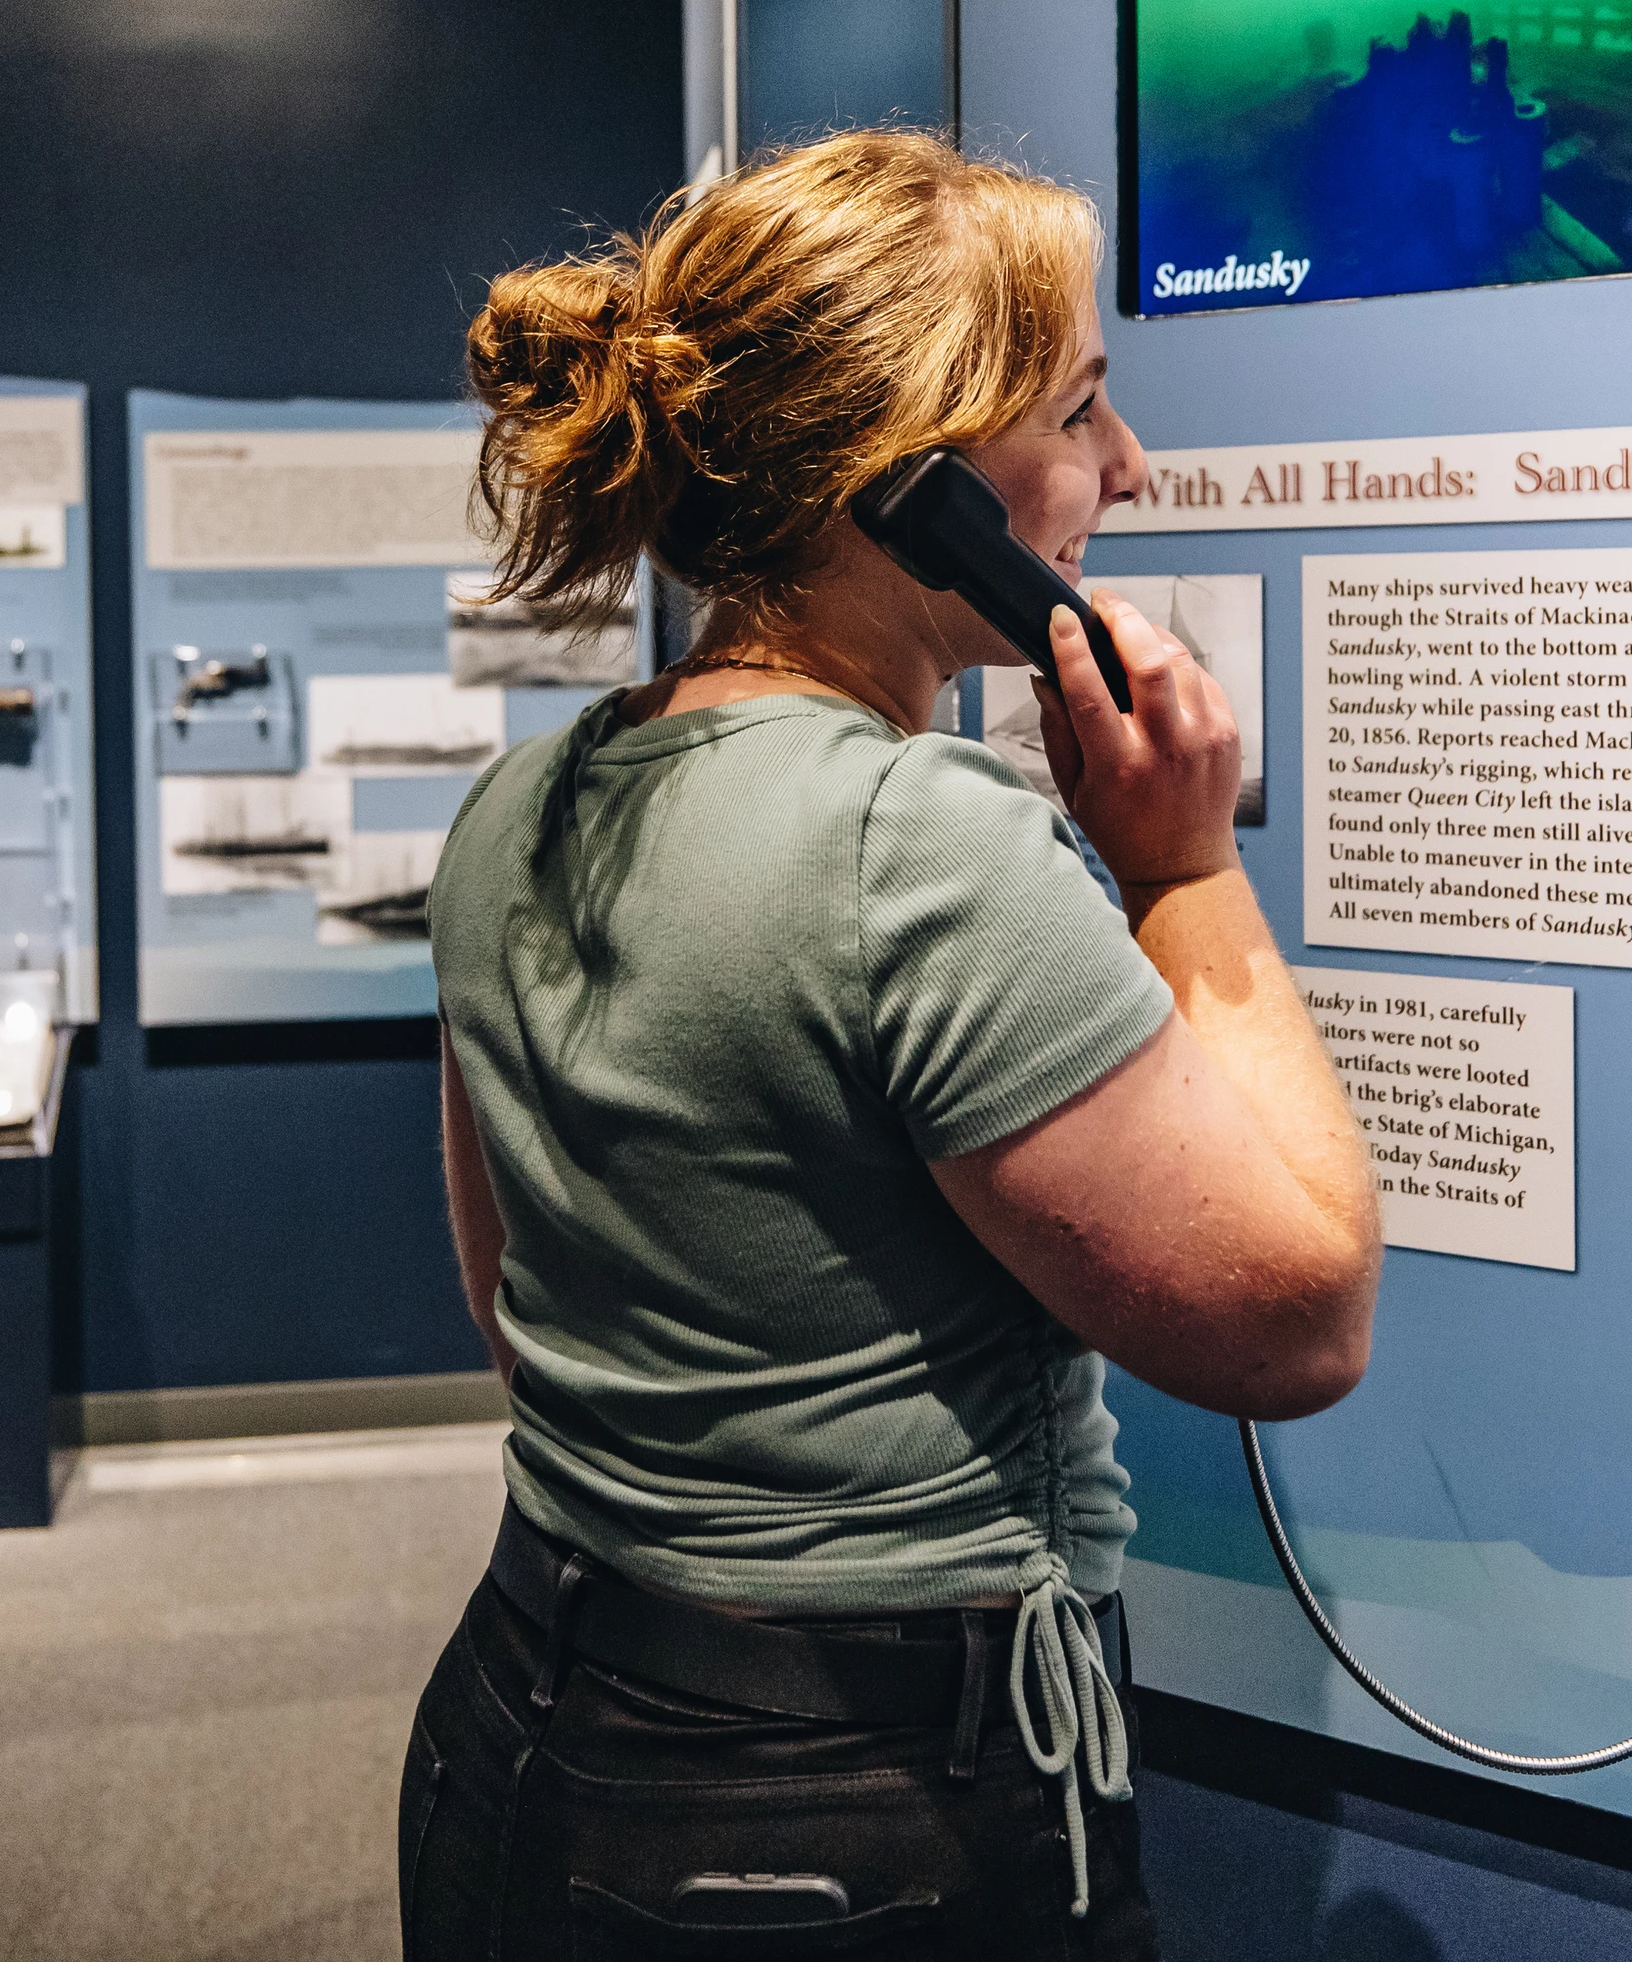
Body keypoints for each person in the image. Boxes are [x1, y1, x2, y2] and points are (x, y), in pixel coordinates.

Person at [405, 130, 1382, 1958]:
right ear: (913, 484)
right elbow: (1297, 1319)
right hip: (855, 1812)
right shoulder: (913, 836)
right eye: (1080, 408)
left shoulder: (521, 803)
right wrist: (1181, 869)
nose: (1127, 468)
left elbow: (513, 1300)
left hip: (529, 1719)